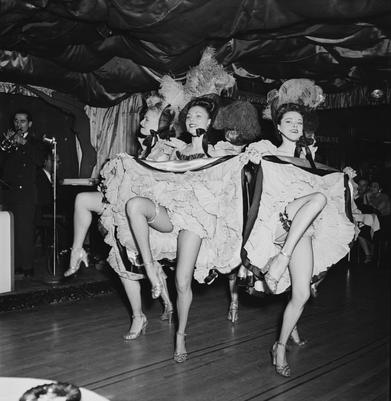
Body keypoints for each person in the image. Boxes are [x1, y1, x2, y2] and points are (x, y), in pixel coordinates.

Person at [241, 80, 354, 377]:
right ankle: (280, 259)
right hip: (278, 221)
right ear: (278, 127)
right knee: (315, 197)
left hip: (301, 231)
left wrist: (346, 178)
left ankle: (279, 345)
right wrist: (247, 156)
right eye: (288, 121)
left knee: (302, 294)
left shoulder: (309, 163)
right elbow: (247, 161)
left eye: (299, 122)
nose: (294, 125)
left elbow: (331, 191)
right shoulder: (268, 150)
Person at [123, 96, 248, 362]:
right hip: (171, 212)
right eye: (189, 116)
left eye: (198, 116)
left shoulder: (218, 151)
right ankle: (149, 268)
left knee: (182, 282)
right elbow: (151, 167)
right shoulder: (173, 148)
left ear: (210, 122)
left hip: (195, 219)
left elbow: (237, 168)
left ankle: (180, 334)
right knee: (134, 205)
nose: (192, 120)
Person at [64, 98, 184, 339]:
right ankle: (77, 252)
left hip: (156, 212)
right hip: (127, 206)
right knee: (83, 201)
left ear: (160, 123)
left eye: (147, 118)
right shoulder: (145, 148)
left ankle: (164, 307)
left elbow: (163, 186)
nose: (140, 121)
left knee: (131, 260)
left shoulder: (170, 150)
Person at [0, 110, 45, 277]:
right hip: (9, 192)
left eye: (23, 121)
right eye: (16, 121)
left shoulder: (36, 143)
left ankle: (27, 268)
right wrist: (5, 146)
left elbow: (40, 161)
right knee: (11, 231)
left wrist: (24, 144)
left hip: (26, 193)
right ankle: (16, 265)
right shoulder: (8, 142)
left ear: (30, 124)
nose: (19, 124)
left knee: (25, 231)